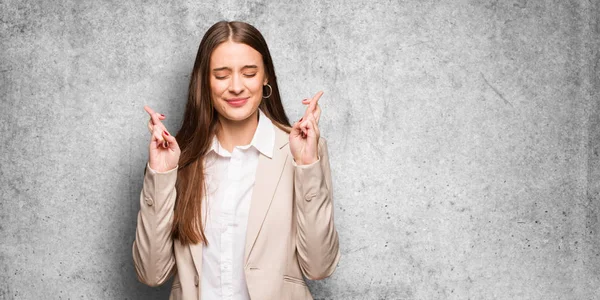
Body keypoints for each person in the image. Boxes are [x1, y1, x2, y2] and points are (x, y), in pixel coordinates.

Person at [132, 21, 340, 300]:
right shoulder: (178, 157)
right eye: (221, 75)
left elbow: (319, 266)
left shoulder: (301, 150)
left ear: (266, 76)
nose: (237, 87)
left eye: (249, 73)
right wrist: (161, 174)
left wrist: (306, 166)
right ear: (204, 81)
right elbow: (151, 273)